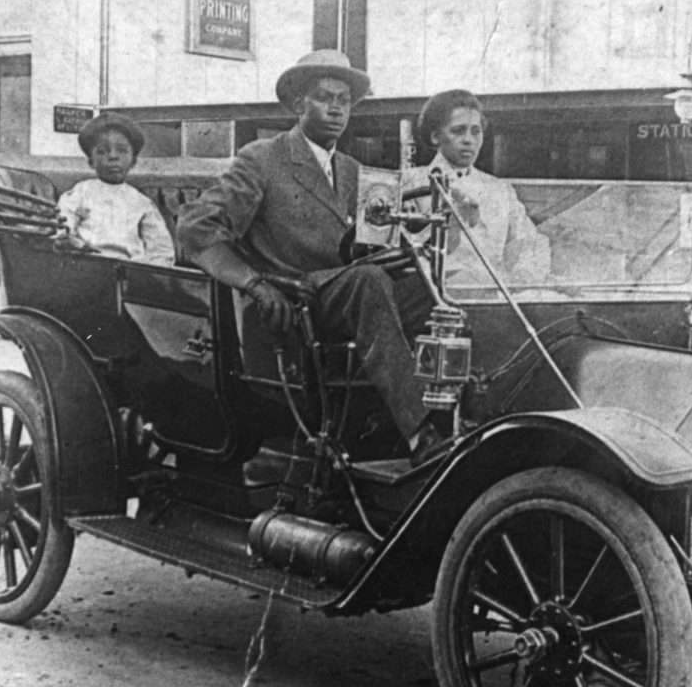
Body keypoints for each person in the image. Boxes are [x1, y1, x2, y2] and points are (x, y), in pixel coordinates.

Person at [176, 49, 445, 463]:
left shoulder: (355, 170)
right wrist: (256, 284)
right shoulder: (263, 158)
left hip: (347, 295)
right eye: (325, 97)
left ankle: (449, 413)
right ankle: (419, 433)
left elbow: (364, 242)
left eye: (344, 99)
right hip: (300, 298)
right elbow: (197, 226)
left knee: (432, 291)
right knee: (368, 281)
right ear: (299, 104)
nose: (337, 107)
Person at [405, 89, 550, 287]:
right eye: (458, 130)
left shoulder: (500, 190)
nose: (468, 140)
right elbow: (404, 255)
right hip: (434, 300)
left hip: (496, 301)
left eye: (476, 131)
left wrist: (520, 278)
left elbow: (529, 243)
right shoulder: (411, 184)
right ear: (435, 137)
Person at [56, 113, 175, 266]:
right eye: (102, 151)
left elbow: (160, 249)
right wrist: (68, 240)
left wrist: (151, 275)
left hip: (131, 271)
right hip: (87, 264)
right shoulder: (81, 193)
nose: (112, 156)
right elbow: (63, 226)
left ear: (133, 161)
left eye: (121, 150)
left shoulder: (141, 202)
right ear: (91, 162)